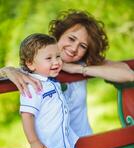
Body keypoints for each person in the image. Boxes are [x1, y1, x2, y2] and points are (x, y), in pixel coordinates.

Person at [0, 10, 134, 137]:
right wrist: (8, 70)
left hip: (86, 141)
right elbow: (9, 72)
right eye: (71, 38)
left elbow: (128, 74)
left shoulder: (82, 63)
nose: (74, 48)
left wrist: (79, 69)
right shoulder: (39, 65)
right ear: (58, 35)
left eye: (83, 46)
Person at [19, 33, 96, 148]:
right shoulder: (32, 86)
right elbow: (27, 116)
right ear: (31, 64)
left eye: (58, 56)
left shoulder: (52, 81)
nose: (56, 62)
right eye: (49, 58)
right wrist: (34, 142)